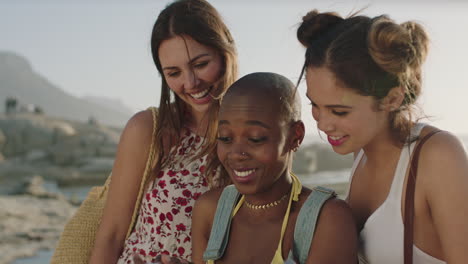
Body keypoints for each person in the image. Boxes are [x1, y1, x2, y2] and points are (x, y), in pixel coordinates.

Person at [296, 9, 468, 264]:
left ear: (392, 99)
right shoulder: (360, 152)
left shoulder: (437, 156)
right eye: (315, 105)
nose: (323, 124)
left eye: (339, 111)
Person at [89, 0, 237, 263]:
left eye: (201, 64)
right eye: (173, 72)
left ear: (225, 51)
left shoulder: (258, 132)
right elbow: (111, 235)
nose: (190, 83)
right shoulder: (148, 129)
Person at [191, 72, 358, 264]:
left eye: (255, 138)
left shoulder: (327, 219)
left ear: (295, 136)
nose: (236, 153)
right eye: (225, 138)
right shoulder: (210, 211)